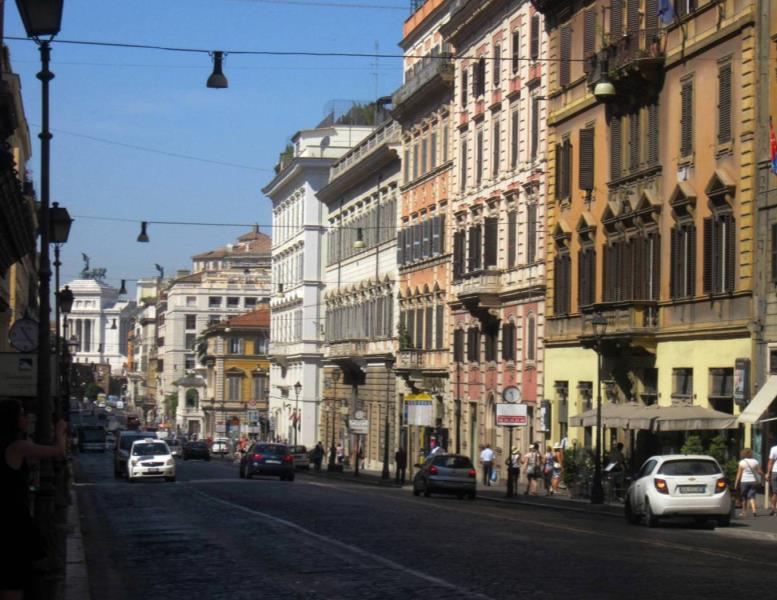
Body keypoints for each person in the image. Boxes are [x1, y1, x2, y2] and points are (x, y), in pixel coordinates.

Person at [1, 399, 67, 599]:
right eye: (22, 414)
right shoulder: (18, 446)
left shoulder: (13, 445)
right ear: (13, 420)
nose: (26, 418)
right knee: (14, 574)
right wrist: (60, 430)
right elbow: (58, 451)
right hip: (13, 517)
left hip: (9, 512)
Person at [735, 448, 763, 518]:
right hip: (753, 481)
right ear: (750, 453)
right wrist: (764, 475)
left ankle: (744, 512)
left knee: (744, 497)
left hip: (744, 481)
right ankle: (754, 511)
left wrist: (736, 482)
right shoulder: (755, 461)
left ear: (743, 454)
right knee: (752, 496)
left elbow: (739, 473)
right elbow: (759, 471)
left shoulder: (742, 462)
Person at [767, 440, 777, 516]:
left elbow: (770, 462)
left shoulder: (774, 448)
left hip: (775, 471)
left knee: (775, 492)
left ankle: (774, 509)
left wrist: (768, 473)